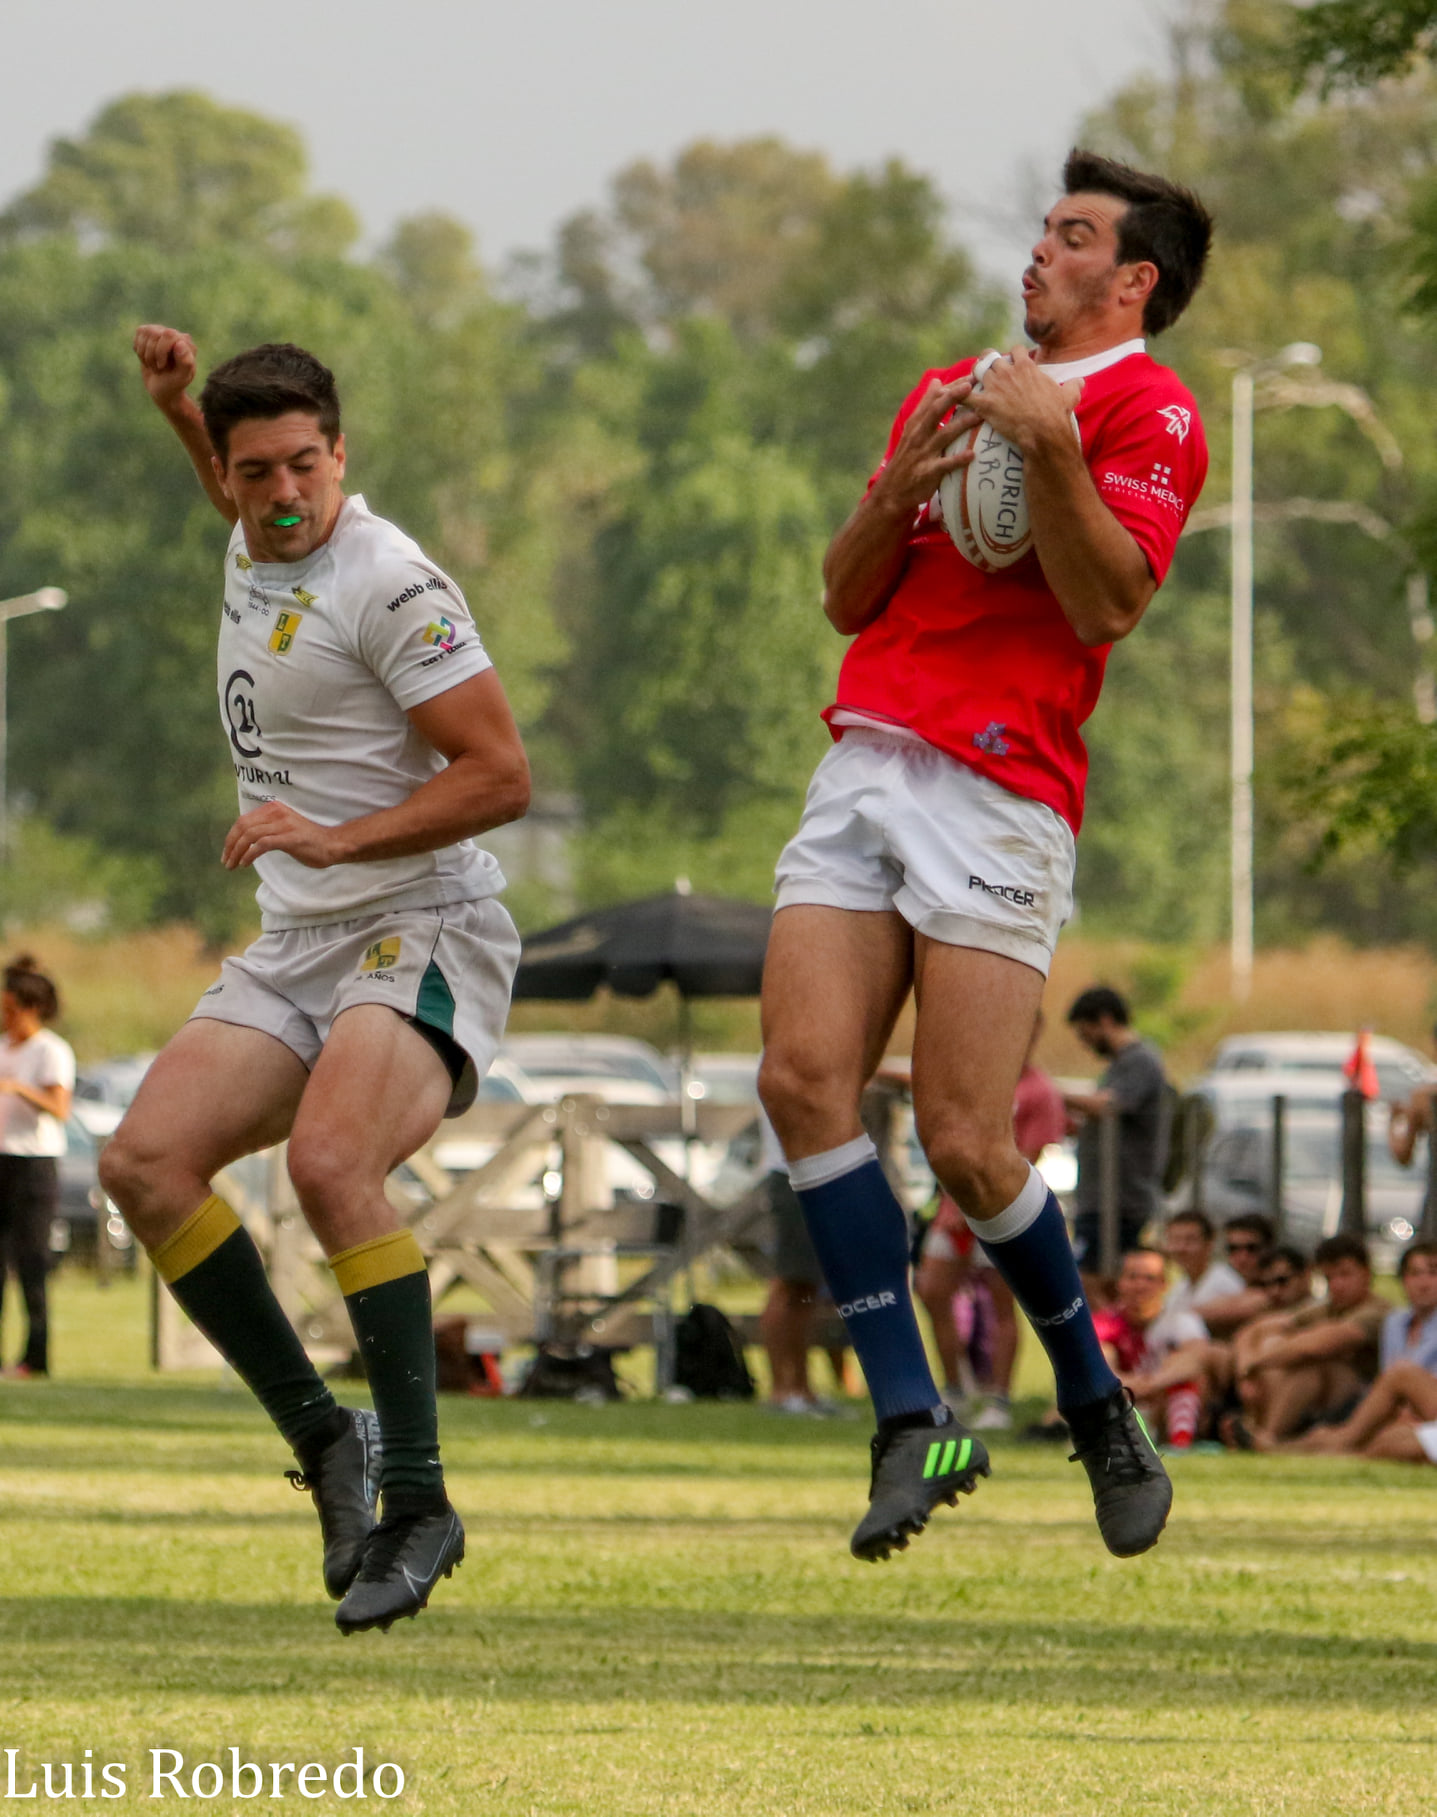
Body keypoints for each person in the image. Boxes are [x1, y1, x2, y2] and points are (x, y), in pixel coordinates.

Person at [756, 148, 1212, 1562]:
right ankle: (912, 1417)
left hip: (1004, 789)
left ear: (1130, 280)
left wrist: (1052, 449)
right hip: (870, 752)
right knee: (799, 1078)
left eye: (1071, 236)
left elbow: (1103, 605)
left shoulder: (1157, 413)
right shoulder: (945, 388)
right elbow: (844, 598)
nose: (1038, 253)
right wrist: (901, 489)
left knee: (964, 1139)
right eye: (1042, 229)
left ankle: (1094, 1401)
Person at [103, 329, 530, 1634]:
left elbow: (500, 776)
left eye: (306, 465)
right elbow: (236, 497)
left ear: (343, 454)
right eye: (254, 473)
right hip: (301, 936)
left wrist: (333, 835)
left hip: (422, 920)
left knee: (333, 1167)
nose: (285, 494)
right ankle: (326, 1440)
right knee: (144, 1166)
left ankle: (418, 1500)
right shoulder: (251, 529)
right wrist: (181, 409)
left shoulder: (389, 583)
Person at [915, 1010, 1068, 1427]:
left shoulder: (1038, 1090)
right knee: (931, 1290)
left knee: (1003, 1303)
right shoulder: (973, 1077)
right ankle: (955, 1388)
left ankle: (998, 1398)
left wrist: (982, 1201)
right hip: (954, 1207)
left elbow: (1029, 1155)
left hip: (1001, 1209)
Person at [1274, 1241, 1437, 1458]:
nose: (1423, 1283)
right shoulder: (1395, 1322)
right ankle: (1277, 1448)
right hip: (1396, 1411)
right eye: (1415, 1274)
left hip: (1418, 1409)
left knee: (1401, 1375)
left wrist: (1253, 1363)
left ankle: (1341, 1442)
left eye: (1432, 1273)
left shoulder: (1377, 1312)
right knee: (1383, 1441)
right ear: (1403, 1280)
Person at [1226, 1235, 1389, 1450]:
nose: (1337, 1285)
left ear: (1366, 1274)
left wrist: (1255, 1363)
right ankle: (1255, 1431)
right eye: (1330, 1278)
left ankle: (1265, 1435)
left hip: (1360, 1398)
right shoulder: (1326, 1308)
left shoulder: (1377, 1312)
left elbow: (1319, 1344)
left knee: (1304, 1365)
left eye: (1345, 1275)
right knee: (1271, 1346)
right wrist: (1245, 1373)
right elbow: (1252, 1330)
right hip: (1317, 1399)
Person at [1064, 987, 1170, 1287]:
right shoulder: (1119, 1066)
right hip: (1101, 1200)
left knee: (1094, 1282)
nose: (1086, 1045)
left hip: (1120, 1201)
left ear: (1106, 1020)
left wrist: (1052, 1093)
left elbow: (1108, 1105)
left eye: (1087, 1034)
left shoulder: (1140, 1061)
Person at [0, 957, 75, 1379]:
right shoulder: (1, 1048)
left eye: (10, 1009)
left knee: (31, 1263)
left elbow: (60, 1108)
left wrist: (19, 1089)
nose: (5, 1017)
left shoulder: (51, 1051)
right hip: (1, 1160)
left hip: (34, 1167)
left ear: (30, 1008)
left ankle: (36, 1357)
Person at [1091, 1249, 1211, 1450]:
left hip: (1164, 1400)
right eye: (1133, 1277)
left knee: (1186, 1371)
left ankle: (1180, 1445)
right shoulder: (1105, 1324)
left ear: (1164, 1285)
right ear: (1119, 1282)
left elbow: (1198, 1359)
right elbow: (1101, 1371)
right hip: (1125, 1400)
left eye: (1150, 1278)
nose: (1140, 1286)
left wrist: (1151, 1384)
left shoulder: (1180, 1321)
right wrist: (1132, 1386)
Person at [1163, 1210, 1244, 1320]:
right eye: (1175, 1240)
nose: (1181, 1248)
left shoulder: (1225, 1283)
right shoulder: (1179, 1288)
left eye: (1190, 1240)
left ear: (1209, 1244)